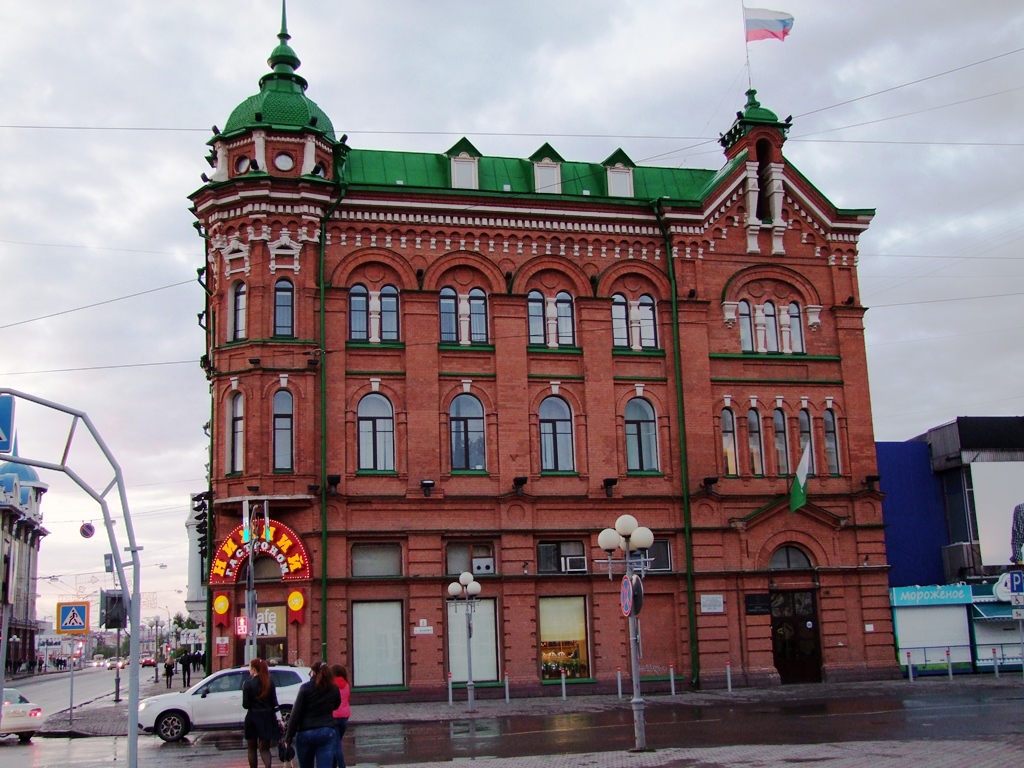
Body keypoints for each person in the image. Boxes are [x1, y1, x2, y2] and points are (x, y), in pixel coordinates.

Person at [284, 661, 340, 768]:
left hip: (306, 732)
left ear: (313, 672)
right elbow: (336, 705)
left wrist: (288, 737)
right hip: (326, 731)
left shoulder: (305, 688)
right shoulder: (333, 688)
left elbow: (295, 714)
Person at [243, 657, 281, 768]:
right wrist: (279, 719)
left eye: (250, 668)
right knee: (264, 749)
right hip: (267, 717)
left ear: (254, 669)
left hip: (253, 717)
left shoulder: (248, 684)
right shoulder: (269, 682)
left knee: (252, 748)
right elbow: (274, 702)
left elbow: (246, 705)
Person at [330, 664, 350, 768]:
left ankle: (342, 766)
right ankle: (333, 765)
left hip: (333, 717)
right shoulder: (346, 685)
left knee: (336, 745)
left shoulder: (331, 685)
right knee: (336, 742)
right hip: (345, 717)